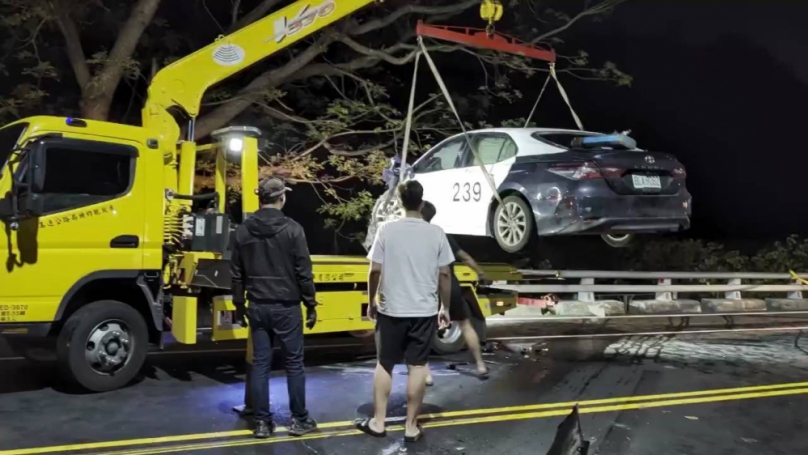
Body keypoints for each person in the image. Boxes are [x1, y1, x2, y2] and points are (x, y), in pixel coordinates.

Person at [355, 180, 453, 443]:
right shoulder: (436, 233)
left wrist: (372, 299)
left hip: (391, 310)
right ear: (421, 203)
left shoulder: (387, 230)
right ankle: (411, 426)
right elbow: (444, 274)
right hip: (423, 311)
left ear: (399, 202)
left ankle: (378, 421)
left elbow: (374, 270)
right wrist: (445, 307)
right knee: (418, 366)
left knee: (384, 363)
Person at [230, 177, 319, 439]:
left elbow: (236, 273)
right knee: (294, 364)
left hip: (257, 305)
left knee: (260, 365)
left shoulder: (243, 230)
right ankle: (300, 419)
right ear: (281, 198)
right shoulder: (293, 229)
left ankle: (261, 422)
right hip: (287, 306)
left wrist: (238, 305)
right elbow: (304, 271)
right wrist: (310, 303)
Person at [420, 201, 489, 384]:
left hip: (427, 287)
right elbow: (464, 257)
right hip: (451, 285)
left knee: (423, 331)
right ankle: (480, 365)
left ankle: (427, 375)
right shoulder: (442, 234)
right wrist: (480, 272)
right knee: (465, 325)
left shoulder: (415, 235)